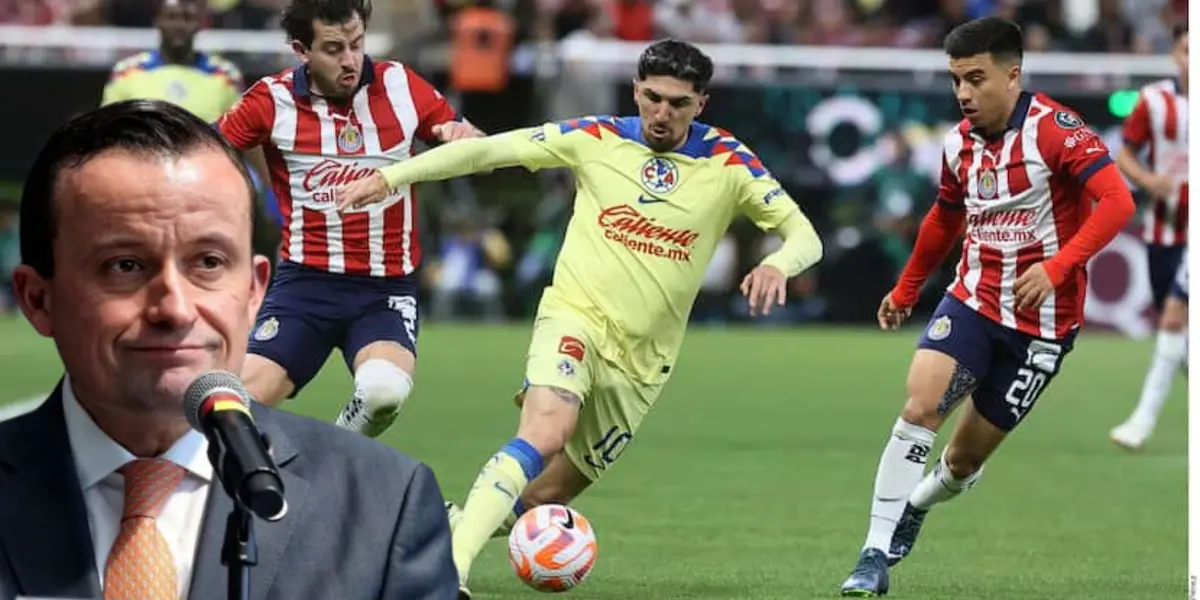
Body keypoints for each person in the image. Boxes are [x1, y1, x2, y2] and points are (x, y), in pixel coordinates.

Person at [337, 39, 825, 598]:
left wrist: (779, 263)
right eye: (653, 98)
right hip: (575, 318)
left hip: (644, 363)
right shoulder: (595, 138)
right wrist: (394, 177)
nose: (663, 114)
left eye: (679, 103)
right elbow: (488, 152)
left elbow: (805, 235)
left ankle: (439, 528)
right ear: (637, 91)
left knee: (546, 496)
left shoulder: (730, 163)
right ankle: (452, 570)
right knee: (546, 431)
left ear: (702, 104)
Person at [0, 100, 459, 600]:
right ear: (38, 299)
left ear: (254, 291)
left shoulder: (385, 505)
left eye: (209, 262)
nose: (175, 309)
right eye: (125, 266)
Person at [837, 18, 1136, 597]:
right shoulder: (957, 145)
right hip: (972, 300)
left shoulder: (1056, 131)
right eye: (955, 81)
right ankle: (872, 555)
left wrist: (1055, 267)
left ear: (1013, 74)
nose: (964, 94)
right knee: (921, 405)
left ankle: (919, 503)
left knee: (963, 461)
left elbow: (1117, 202)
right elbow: (944, 218)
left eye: (976, 78)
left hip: (1044, 327)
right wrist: (907, 287)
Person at [216, 0, 483, 437]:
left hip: (384, 288)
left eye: (357, 44)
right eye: (334, 48)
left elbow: (478, 151)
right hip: (305, 286)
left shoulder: (401, 85)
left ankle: (331, 462)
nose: (350, 60)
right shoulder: (271, 98)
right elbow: (204, 152)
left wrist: (467, 140)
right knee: (233, 407)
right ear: (302, 50)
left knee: (383, 394)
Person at [1109, 23, 1189, 451]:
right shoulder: (1155, 101)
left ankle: (1141, 422)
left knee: (1175, 317)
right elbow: (1125, 154)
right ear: (1175, 54)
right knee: (1173, 328)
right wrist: (1149, 180)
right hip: (1165, 231)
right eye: (1187, 51)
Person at [101, 0, 243, 124]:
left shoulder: (226, 76)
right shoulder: (126, 72)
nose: (179, 25)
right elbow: (108, 129)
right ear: (157, 21)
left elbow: (242, 135)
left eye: (187, 18)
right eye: (171, 17)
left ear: (199, 25)